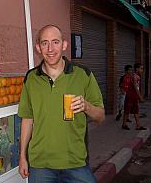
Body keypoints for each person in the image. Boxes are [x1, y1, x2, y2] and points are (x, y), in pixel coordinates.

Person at [18, 25, 105, 183]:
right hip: (40, 165)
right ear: (38, 47)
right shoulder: (31, 78)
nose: (50, 49)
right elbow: (27, 119)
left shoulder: (83, 74)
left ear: (64, 45)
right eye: (45, 43)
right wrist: (22, 156)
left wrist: (86, 106)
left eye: (55, 42)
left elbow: (100, 116)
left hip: (75, 163)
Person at [121, 63, 146, 130]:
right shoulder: (134, 77)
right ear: (137, 69)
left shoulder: (137, 76)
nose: (142, 70)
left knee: (136, 111)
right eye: (141, 68)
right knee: (127, 110)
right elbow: (136, 88)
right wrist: (140, 97)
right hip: (130, 96)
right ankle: (124, 124)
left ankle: (138, 125)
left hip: (134, 97)